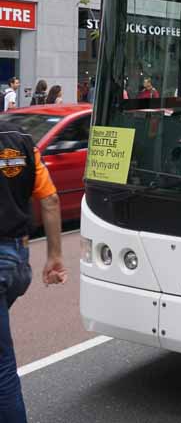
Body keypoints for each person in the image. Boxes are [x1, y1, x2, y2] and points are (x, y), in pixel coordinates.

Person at [0, 119, 68, 420]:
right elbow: (50, 200)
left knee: (2, 366)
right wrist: (54, 256)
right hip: (17, 260)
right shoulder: (23, 140)